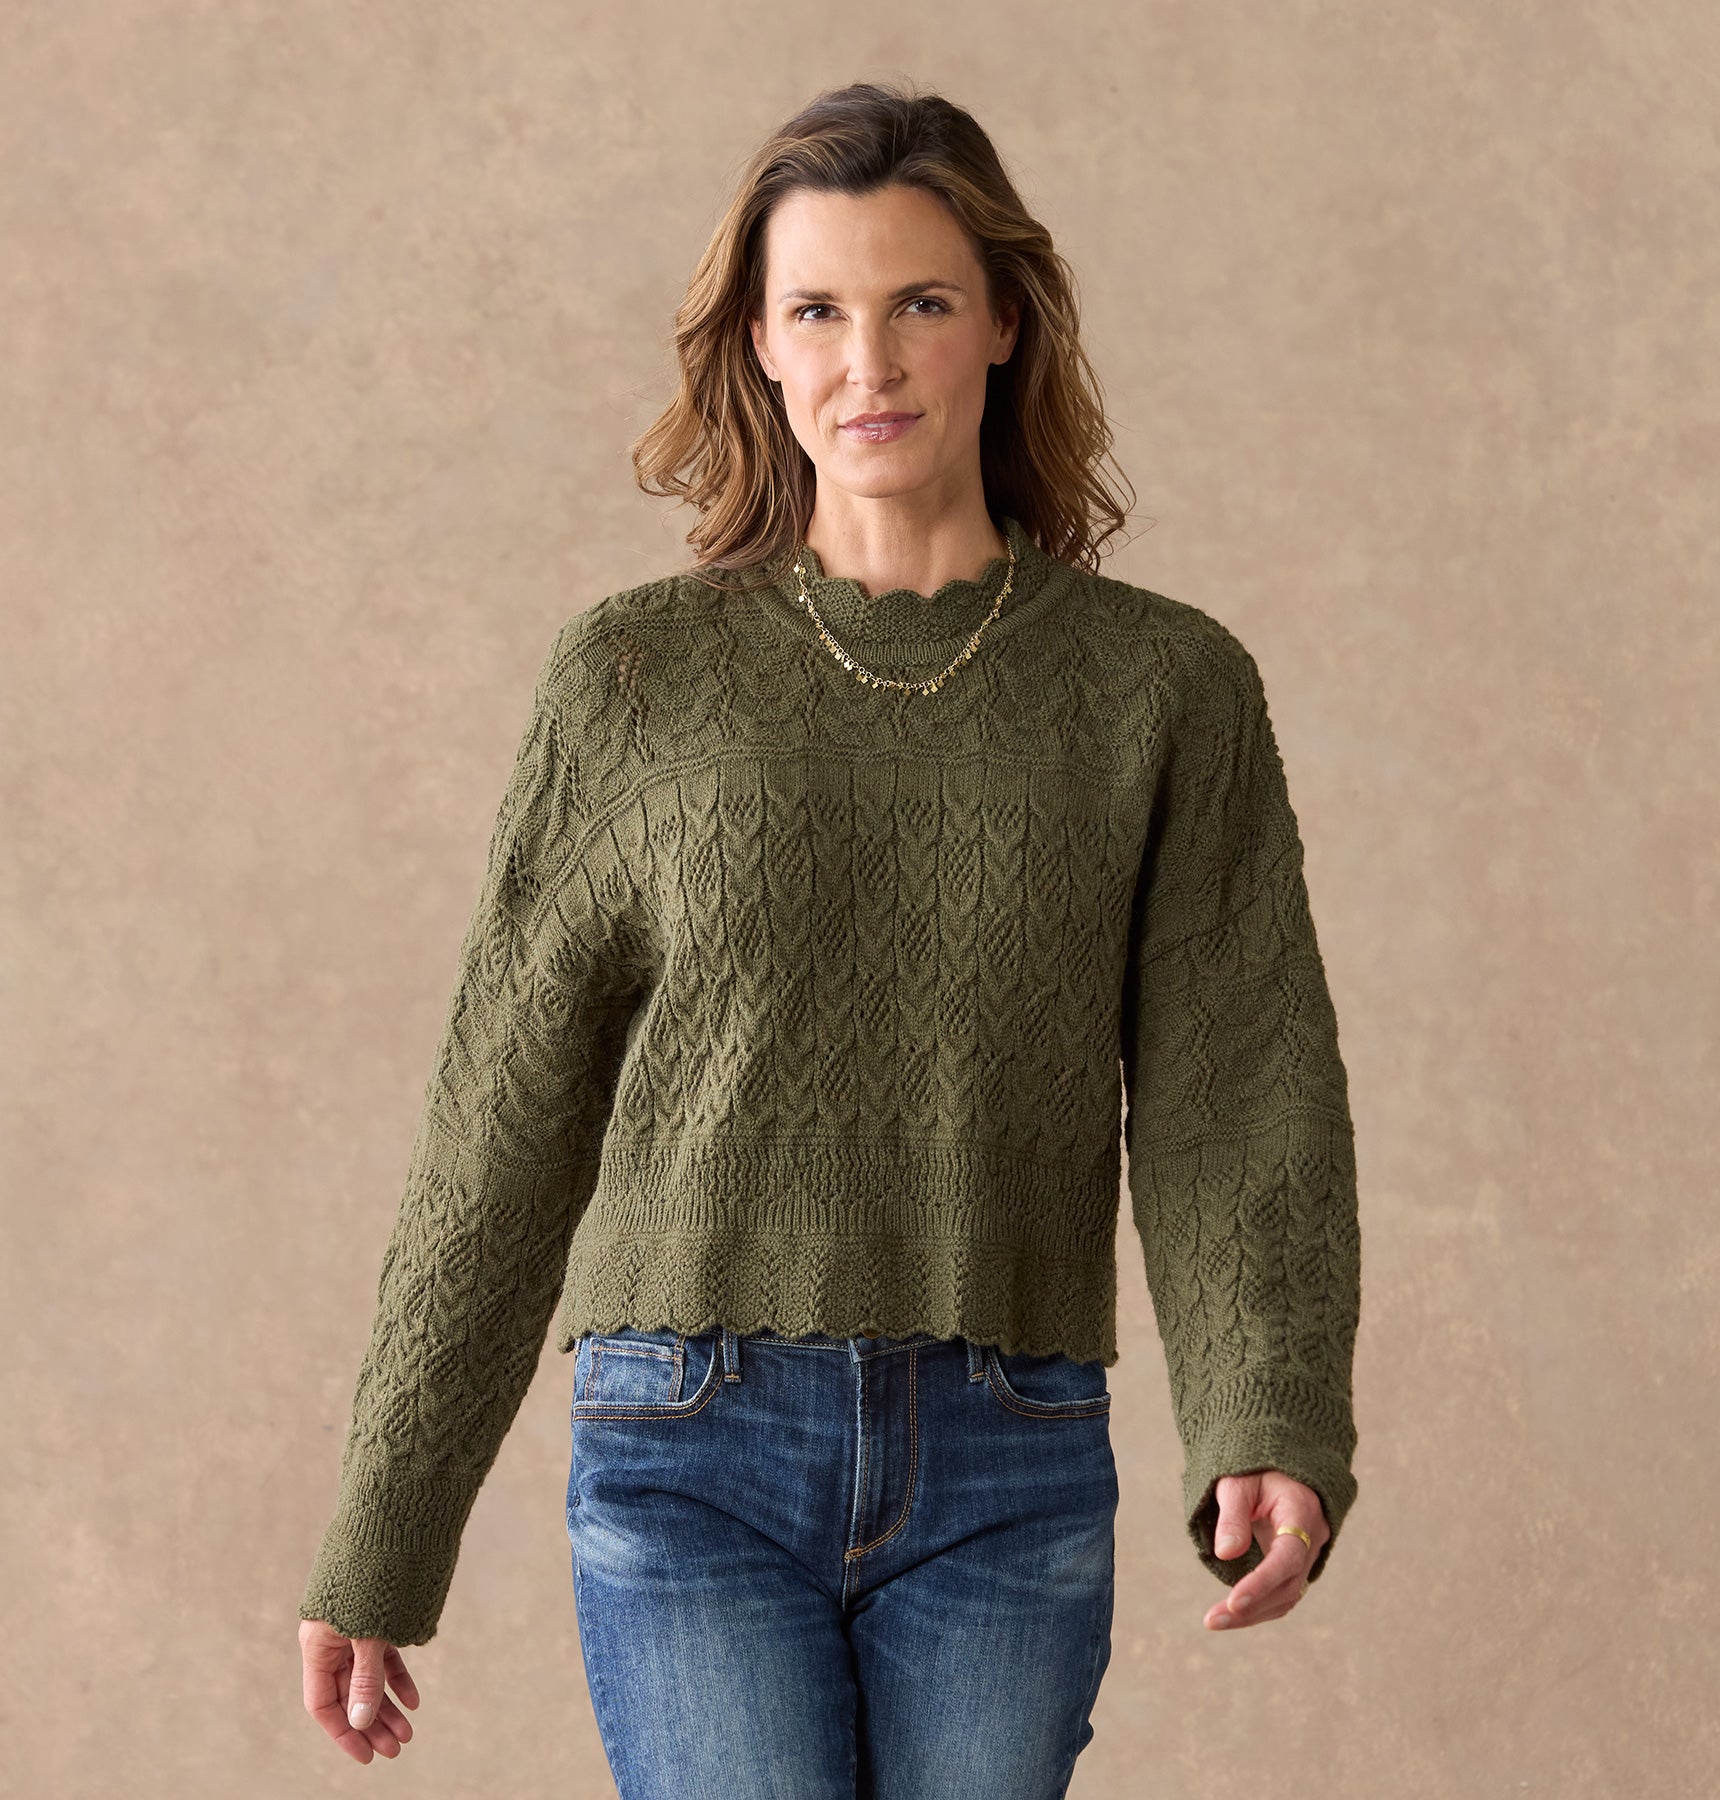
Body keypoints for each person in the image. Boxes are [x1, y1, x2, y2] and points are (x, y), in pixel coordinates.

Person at [296, 77, 1362, 1797]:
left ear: (1002, 322)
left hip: (1012, 1453)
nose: (869, 362)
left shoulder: (1164, 687)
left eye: (919, 302)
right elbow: (504, 1116)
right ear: (760, 346)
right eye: (816, 311)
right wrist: (384, 1531)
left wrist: (1271, 1412)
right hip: (689, 1442)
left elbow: (1240, 1090)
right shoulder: (631, 677)